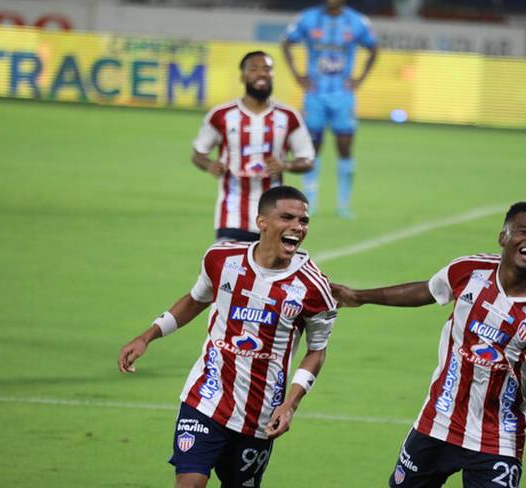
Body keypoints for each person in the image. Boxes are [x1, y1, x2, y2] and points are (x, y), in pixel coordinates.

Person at [331, 202, 526, 488]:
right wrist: (360, 296)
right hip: (438, 420)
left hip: (498, 439)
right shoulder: (470, 271)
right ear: (503, 237)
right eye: (525, 231)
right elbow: (426, 291)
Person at [118, 186, 337, 488]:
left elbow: (317, 350)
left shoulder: (314, 287)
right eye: (287, 218)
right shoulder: (221, 258)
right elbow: (196, 299)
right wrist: (147, 336)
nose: (298, 227)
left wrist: (291, 403)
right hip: (206, 396)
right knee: (189, 482)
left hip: (260, 415)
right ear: (262, 222)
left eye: (304, 221)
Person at [192, 51, 315, 242]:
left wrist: (287, 165)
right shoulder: (221, 115)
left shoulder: (288, 116)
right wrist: (209, 165)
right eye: (254, 69)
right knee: (227, 261)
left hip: (274, 217)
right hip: (232, 213)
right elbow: (198, 153)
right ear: (242, 76)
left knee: (273, 262)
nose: (261, 73)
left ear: (273, 74)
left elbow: (307, 159)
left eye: (267, 69)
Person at [282, 0, 378, 218]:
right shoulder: (308, 18)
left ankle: (343, 205)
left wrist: (359, 79)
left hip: (343, 97)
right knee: (312, 149)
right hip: (315, 96)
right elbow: (286, 42)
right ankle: (310, 203)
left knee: (344, 147)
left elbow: (374, 48)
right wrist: (297, 75)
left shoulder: (357, 21)